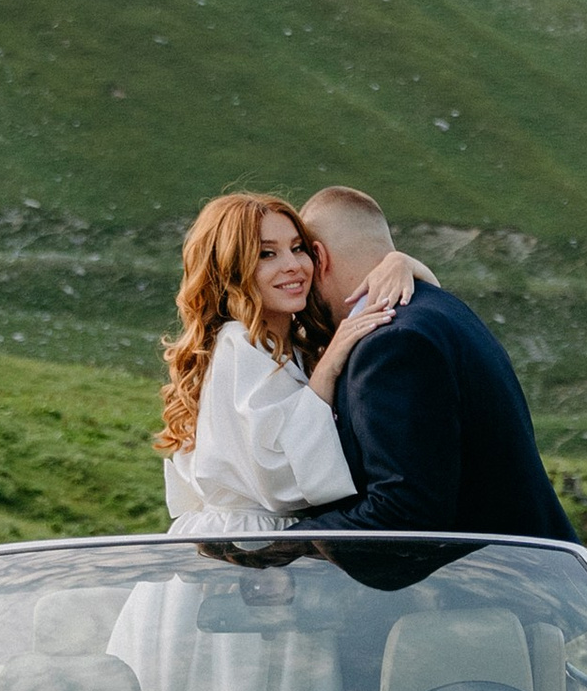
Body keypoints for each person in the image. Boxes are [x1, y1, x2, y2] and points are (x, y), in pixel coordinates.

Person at [299, 184, 574, 539]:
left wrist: (287, 543)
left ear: (320, 258)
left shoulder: (392, 344)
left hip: (494, 584)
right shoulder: (441, 310)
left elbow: (403, 514)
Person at [155, 191, 430, 535]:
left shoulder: (294, 342)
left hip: (286, 542)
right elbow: (277, 477)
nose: (293, 265)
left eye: (298, 248)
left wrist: (398, 262)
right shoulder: (237, 344)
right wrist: (328, 368)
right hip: (246, 542)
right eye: (267, 254)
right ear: (231, 269)